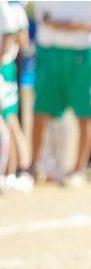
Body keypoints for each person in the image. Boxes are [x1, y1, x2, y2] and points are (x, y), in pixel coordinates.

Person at [30, 1, 91, 187]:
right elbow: (40, 17)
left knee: (85, 114)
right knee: (41, 110)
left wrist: (80, 27)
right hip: (50, 53)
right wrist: (57, 25)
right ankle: (35, 166)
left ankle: (78, 169)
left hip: (82, 55)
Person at [0, 0, 31, 193]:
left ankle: (12, 173)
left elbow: (14, 38)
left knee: (8, 120)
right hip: (5, 67)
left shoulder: (6, 8)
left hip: (4, 69)